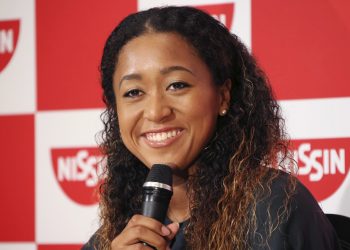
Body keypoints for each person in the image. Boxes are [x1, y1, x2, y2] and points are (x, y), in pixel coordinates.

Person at [82, 6, 341, 250]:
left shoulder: (274, 209)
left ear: (223, 96)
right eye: (134, 92)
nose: (156, 112)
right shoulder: (112, 240)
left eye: (177, 85)